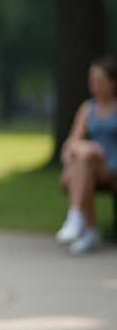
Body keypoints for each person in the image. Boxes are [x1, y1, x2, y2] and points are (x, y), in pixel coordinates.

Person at [55, 56, 117, 255]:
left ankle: (81, 223)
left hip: (111, 164)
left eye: (99, 81)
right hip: (89, 164)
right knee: (84, 155)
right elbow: (71, 142)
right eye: (92, 80)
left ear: (113, 83)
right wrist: (87, 146)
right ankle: (85, 227)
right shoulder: (87, 108)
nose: (94, 86)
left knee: (83, 160)